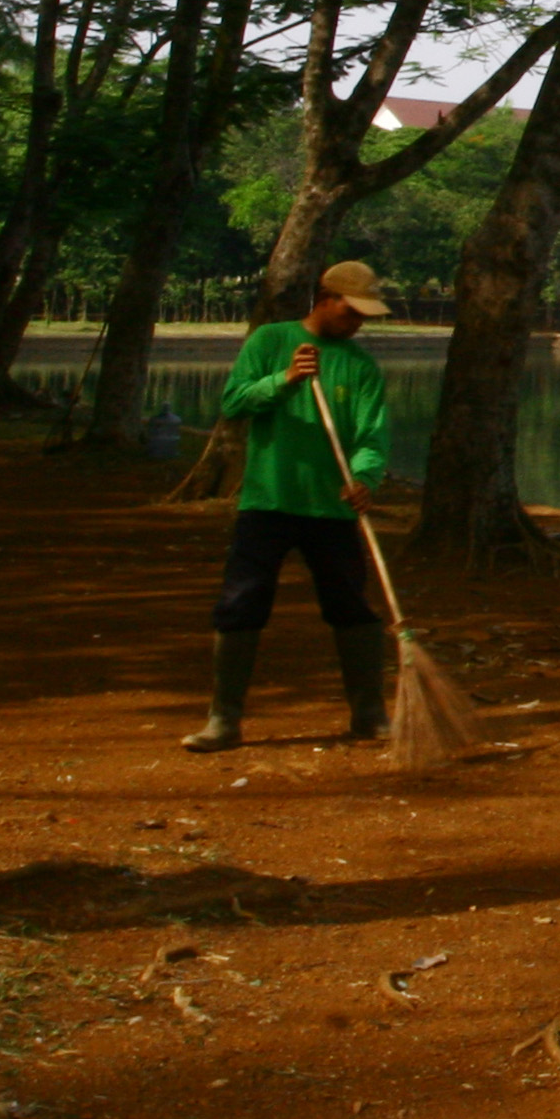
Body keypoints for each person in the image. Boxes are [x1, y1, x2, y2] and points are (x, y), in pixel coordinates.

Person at [182, 261, 398, 753]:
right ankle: (224, 720)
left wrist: (364, 477)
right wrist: (284, 380)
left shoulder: (361, 366)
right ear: (325, 299)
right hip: (269, 501)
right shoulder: (271, 342)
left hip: (332, 509)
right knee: (241, 604)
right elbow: (235, 403)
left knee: (351, 608)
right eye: (351, 311)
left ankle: (368, 714)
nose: (357, 322)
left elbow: (371, 436)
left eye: (364, 315)